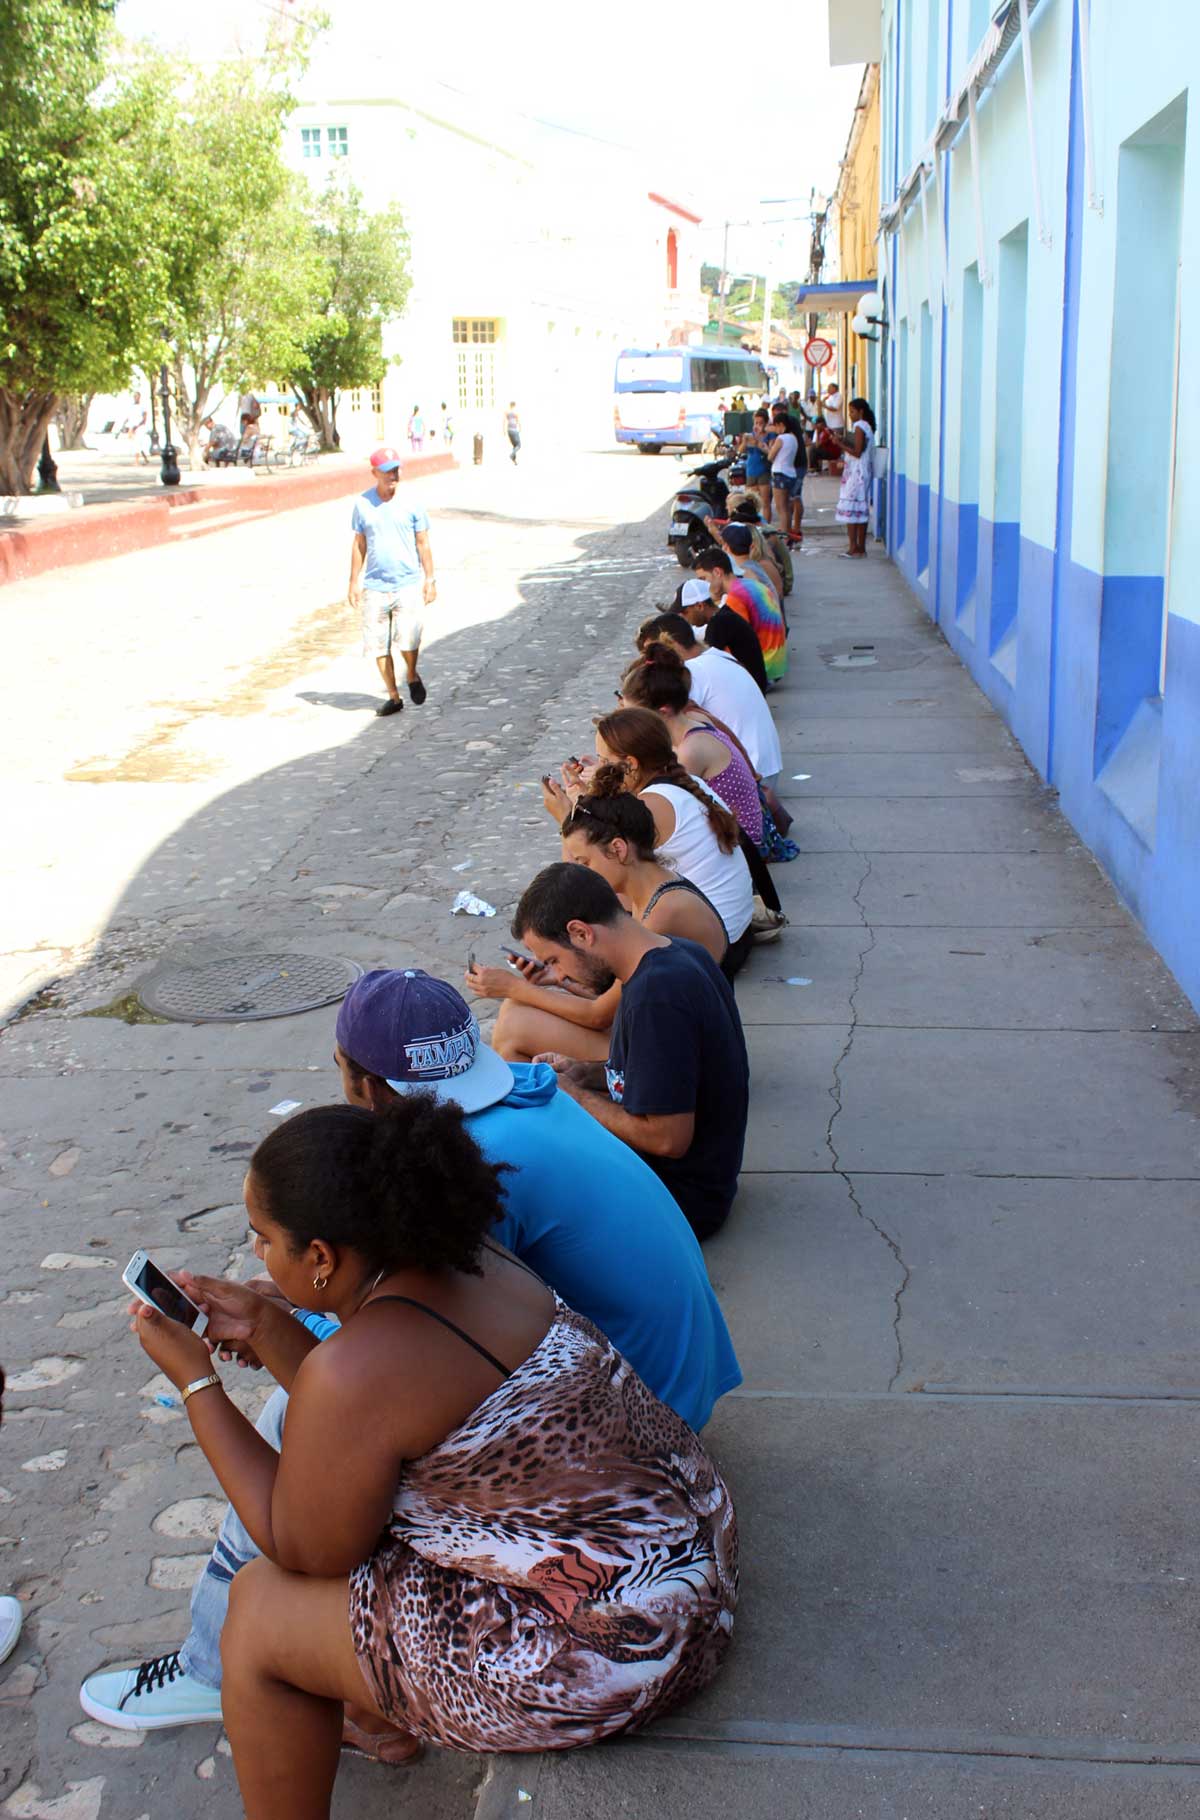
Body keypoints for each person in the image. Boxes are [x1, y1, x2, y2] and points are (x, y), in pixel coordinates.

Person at [80, 969, 741, 1738]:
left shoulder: (371, 1355)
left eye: (263, 1238)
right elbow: (371, 1405)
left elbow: (309, 1545)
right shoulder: (464, 1237)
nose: (256, 1252)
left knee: (260, 1609)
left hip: (618, 1649)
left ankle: (226, 1673)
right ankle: (366, 1699)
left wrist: (197, 1384)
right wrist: (268, 1323)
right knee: (321, 1438)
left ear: (322, 1256)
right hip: (685, 1561)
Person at [513, 862, 750, 1240]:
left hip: (680, 1201)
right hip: (700, 1182)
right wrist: (582, 1072)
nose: (557, 977)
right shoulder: (677, 954)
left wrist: (575, 1097)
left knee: (516, 1175)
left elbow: (668, 1139)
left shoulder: (656, 997)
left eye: (555, 960)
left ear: (580, 933)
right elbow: (667, 1069)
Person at [469, 788, 732, 1060]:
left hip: (685, 1046)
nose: (582, 872)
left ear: (618, 849)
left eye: (584, 862)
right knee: (515, 1011)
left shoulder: (666, 911)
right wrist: (562, 975)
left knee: (515, 1028)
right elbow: (622, 987)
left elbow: (600, 1015)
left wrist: (514, 987)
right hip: (662, 1022)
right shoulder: (646, 890)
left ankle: (573, 1098)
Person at [543, 708, 755, 959]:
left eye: (605, 761)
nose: (600, 767)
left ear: (631, 763)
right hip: (734, 930)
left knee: (589, 907)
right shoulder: (680, 781)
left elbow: (585, 877)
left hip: (715, 949)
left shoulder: (651, 805)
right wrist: (598, 790)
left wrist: (569, 817)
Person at [619, 644, 764, 846]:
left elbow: (655, 804)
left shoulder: (690, 751)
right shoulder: (694, 720)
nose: (630, 722)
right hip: (741, 833)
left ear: (663, 711)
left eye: (634, 715)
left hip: (743, 846)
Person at [638, 611, 780, 778]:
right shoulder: (719, 656)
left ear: (673, 644)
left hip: (754, 775)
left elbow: (664, 722)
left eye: (654, 652)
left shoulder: (693, 671)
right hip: (767, 766)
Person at [348, 446, 436, 716]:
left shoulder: (412, 504)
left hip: (407, 582)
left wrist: (430, 578)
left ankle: (411, 674)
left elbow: (423, 543)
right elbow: (359, 543)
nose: (392, 475)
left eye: (396, 470)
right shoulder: (363, 504)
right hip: (375, 586)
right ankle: (394, 696)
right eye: (387, 471)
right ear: (375, 473)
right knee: (377, 643)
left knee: (409, 638)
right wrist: (354, 581)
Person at [692, 545, 788, 685]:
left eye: (703, 578)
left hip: (764, 669)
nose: (703, 584)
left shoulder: (736, 596)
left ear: (717, 572)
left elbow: (735, 641)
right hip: (776, 664)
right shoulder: (749, 585)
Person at [676, 580, 768, 692]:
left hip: (751, 689)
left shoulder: (718, 624)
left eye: (685, 613)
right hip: (755, 684)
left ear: (700, 606)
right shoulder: (725, 614)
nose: (686, 620)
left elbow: (704, 664)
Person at [836, 398, 877, 559]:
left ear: (860, 412)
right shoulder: (867, 427)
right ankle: (861, 547)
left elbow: (857, 452)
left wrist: (839, 444)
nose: (850, 415)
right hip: (862, 472)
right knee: (860, 508)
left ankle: (853, 546)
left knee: (851, 509)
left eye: (852, 411)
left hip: (856, 473)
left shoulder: (859, 426)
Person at [765, 409, 800, 547]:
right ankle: (787, 534)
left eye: (776, 426)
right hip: (791, 474)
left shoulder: (781, 439)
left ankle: (784, 538)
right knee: (787, 507)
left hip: (779, 473)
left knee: (781, 508)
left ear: (781, 425)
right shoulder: (793, 438)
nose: (775, 429)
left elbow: (770, 456)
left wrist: (767, 447)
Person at [737, 408, 773, 522]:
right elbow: (741, 450)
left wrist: (758, 442)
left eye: (760, 423)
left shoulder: (769, 435)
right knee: (750, 502)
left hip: (763, 470)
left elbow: (770, 451)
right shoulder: (750, 435)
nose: (757, 425)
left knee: (765, 502)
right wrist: (744, 441)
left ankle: (766, 527)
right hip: (751, 470)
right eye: (756, 423)